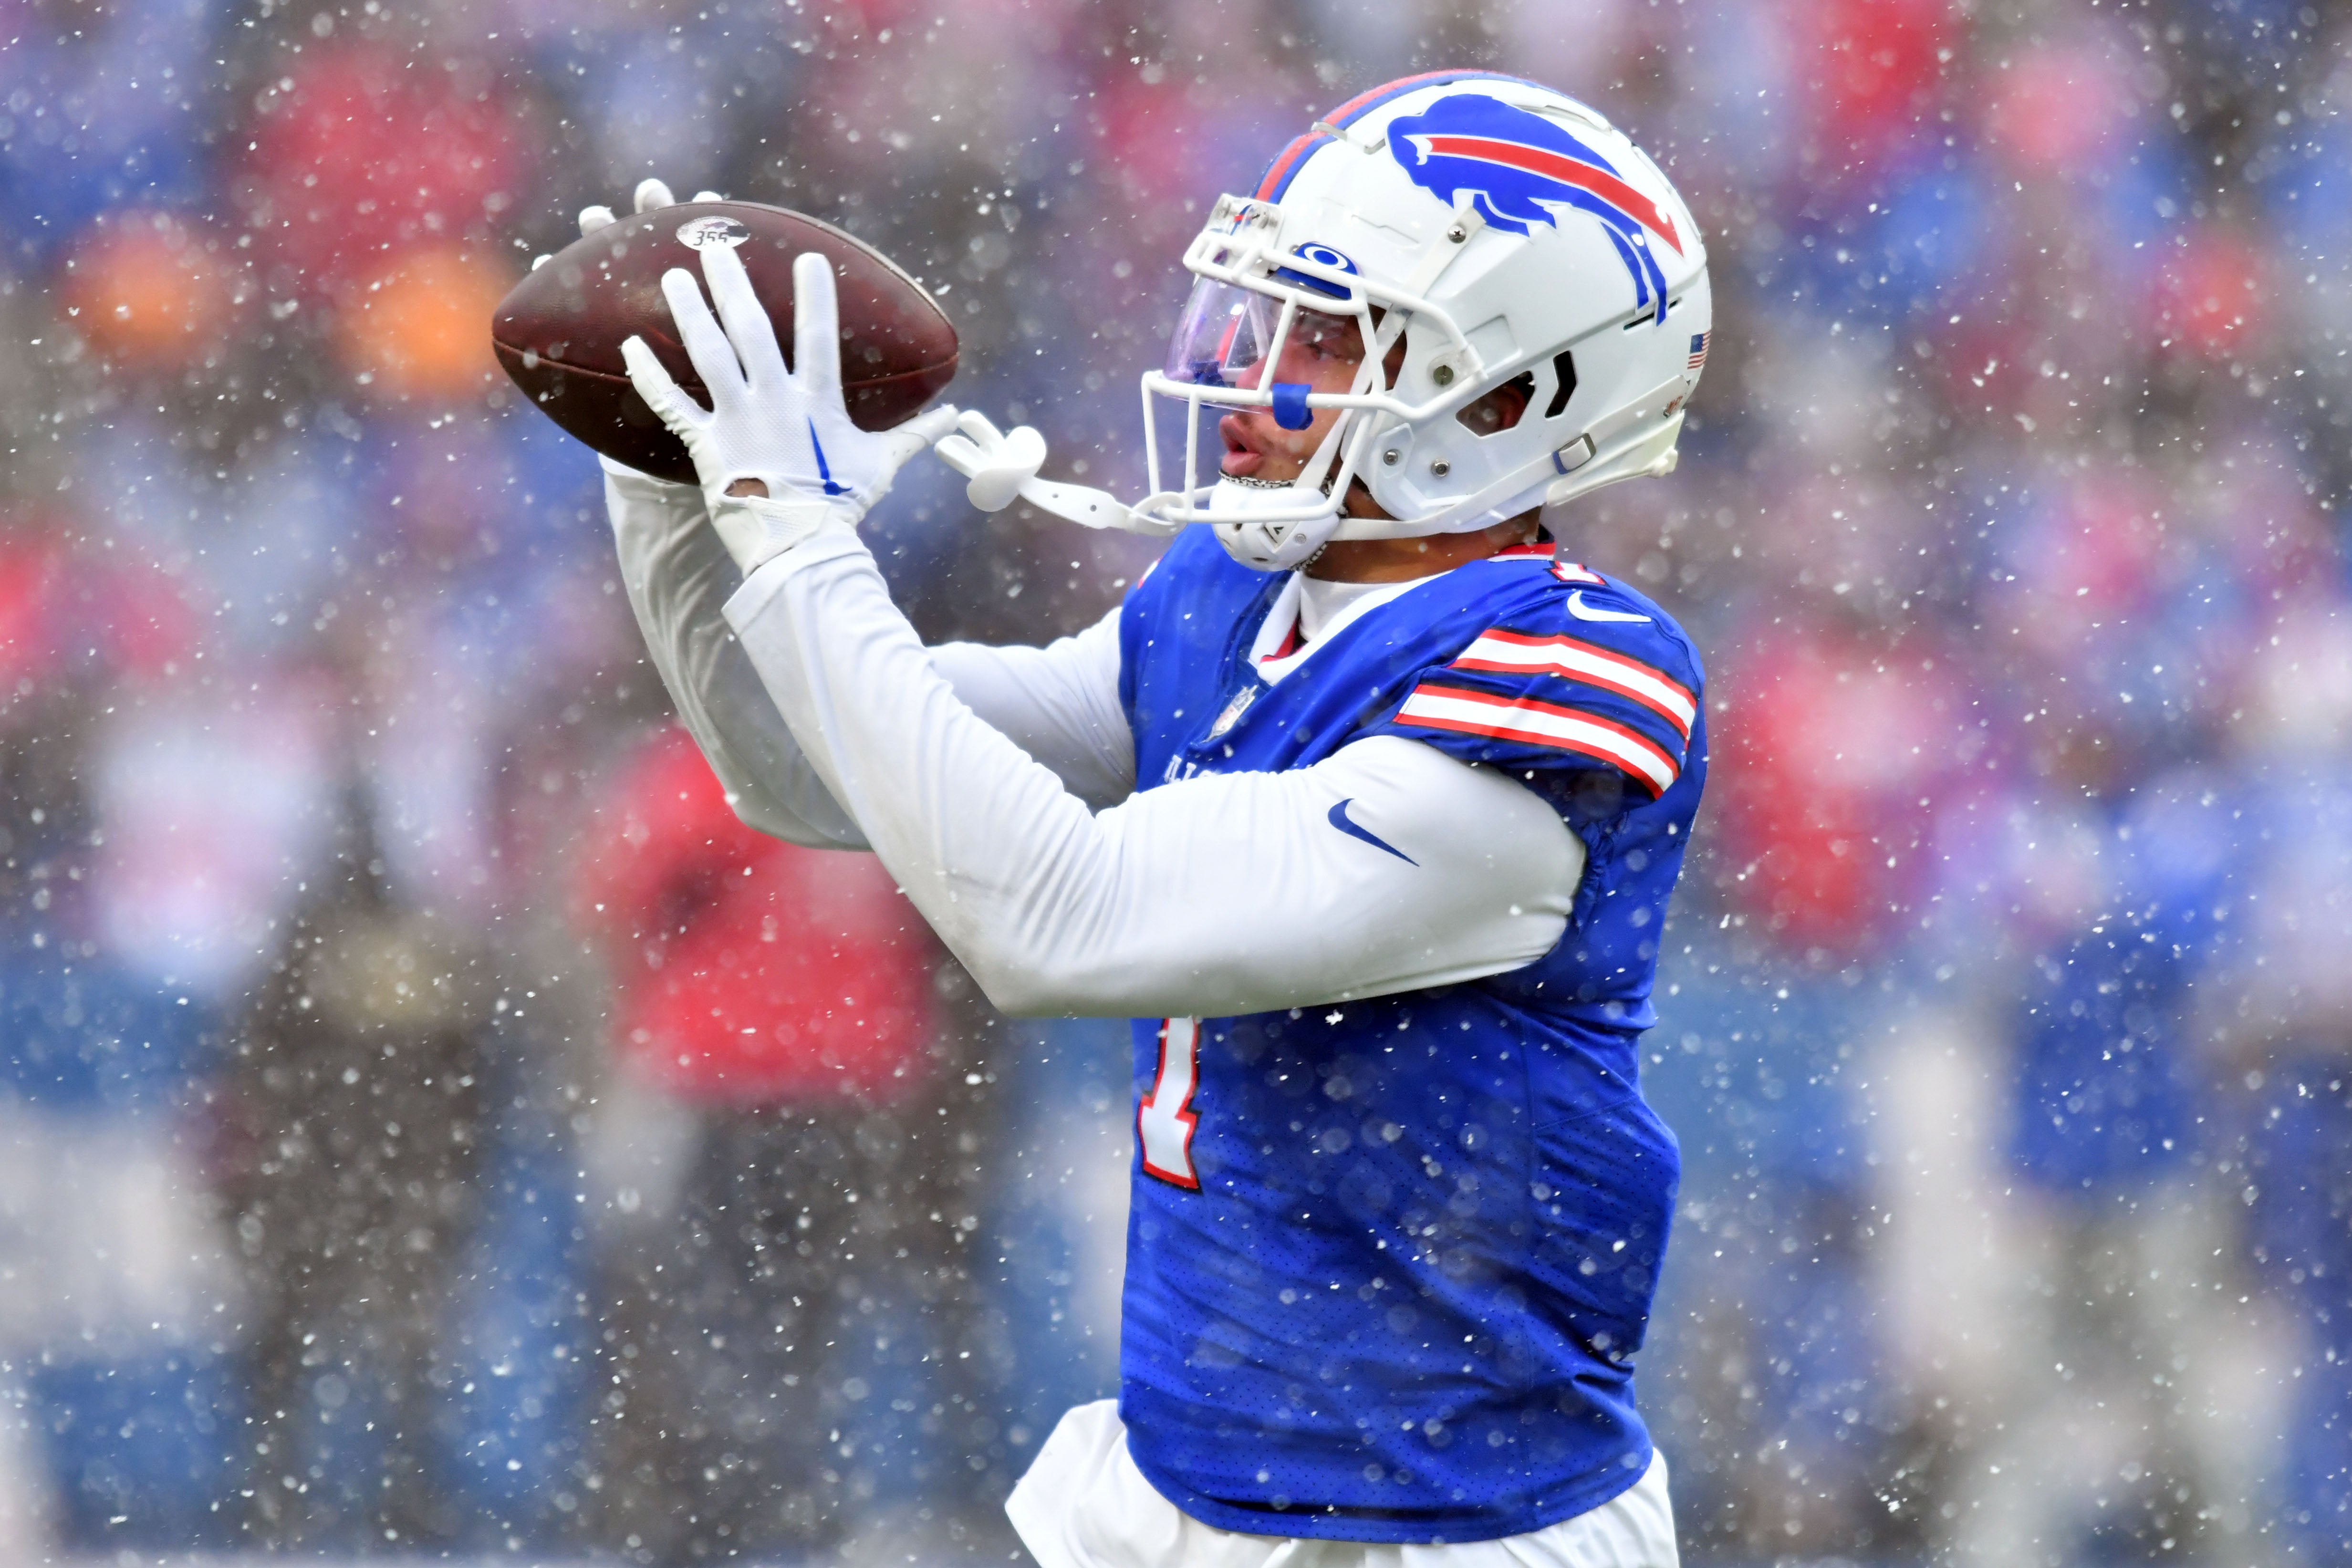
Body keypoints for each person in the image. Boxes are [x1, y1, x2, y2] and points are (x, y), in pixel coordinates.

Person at [593, 70, 1711, 1568]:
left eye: (1328, 333)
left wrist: (797, 540)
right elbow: (806, 772)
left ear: (1507, 397)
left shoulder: (1562, 675)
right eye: (1265, 317)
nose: (1251, 372)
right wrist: (677, 492)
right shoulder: (1233, 598)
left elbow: (1059, 923)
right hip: (1180, 1478)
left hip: (1446, 1524)